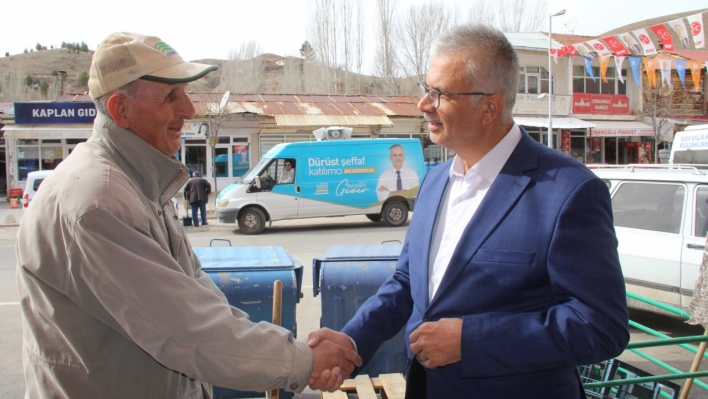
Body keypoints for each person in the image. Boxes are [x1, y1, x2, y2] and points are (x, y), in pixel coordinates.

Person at [16, 32, 360, 399]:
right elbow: (186, 330)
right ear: (121, 110)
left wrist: (292, 352)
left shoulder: (139, 182)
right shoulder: (100, 202)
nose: (189, 110)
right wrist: (302, 361)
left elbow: (199, 299)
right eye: (170, 97)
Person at [308, 24, 629, 398]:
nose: (423, 105)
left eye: (439, 94)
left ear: (490, 106)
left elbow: (601, 325)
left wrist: (472, 340)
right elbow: (407, 283)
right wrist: (349, 343)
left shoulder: (568, 192)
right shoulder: (434, 181)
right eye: (425, 90)